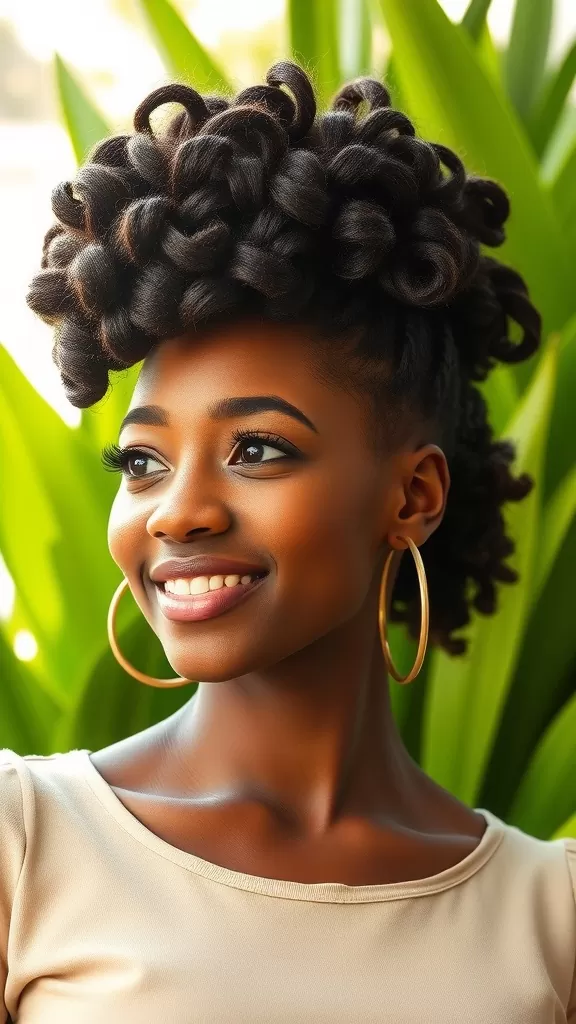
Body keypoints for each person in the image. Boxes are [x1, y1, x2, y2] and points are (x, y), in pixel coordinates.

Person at [1, 59, 573, 1022]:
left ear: (414, 495)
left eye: (257, 449)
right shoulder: (27, 843)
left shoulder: (547, 919)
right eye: (141, 463)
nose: (178, 511)